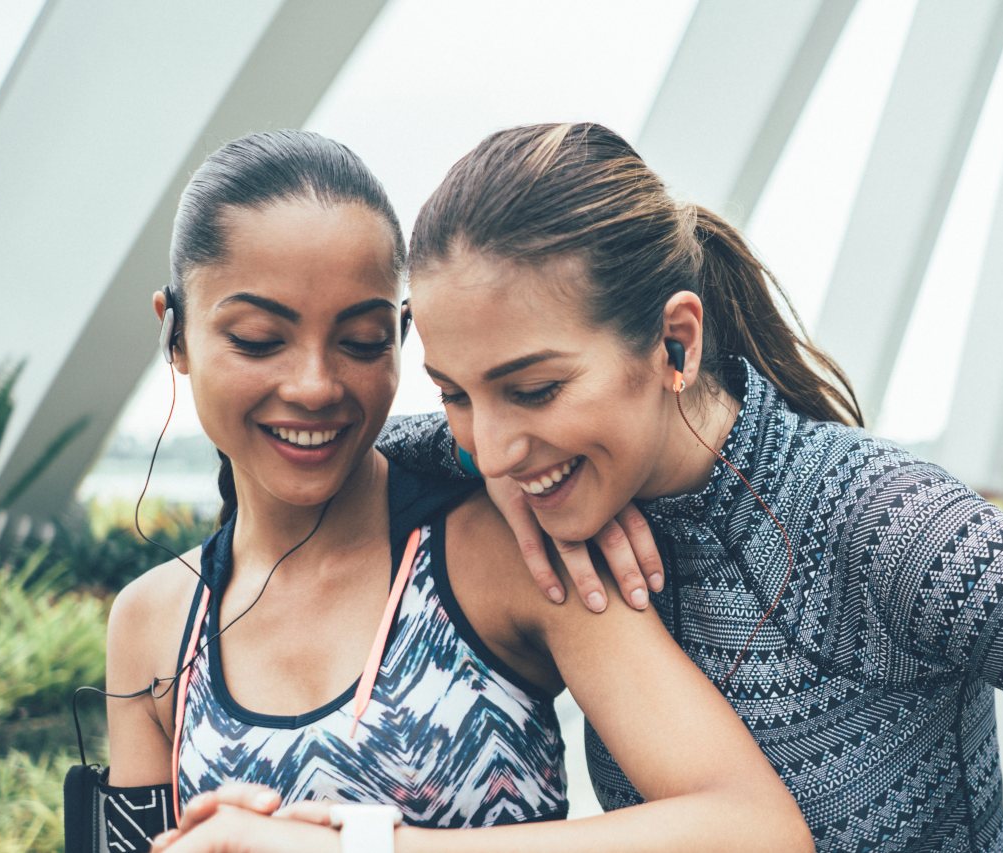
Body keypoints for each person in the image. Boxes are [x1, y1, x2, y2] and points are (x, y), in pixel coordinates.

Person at [373, 122, 1003, 851]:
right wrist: (513, 479)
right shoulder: (525, 468)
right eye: (459, 394)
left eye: (534, 388)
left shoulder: (886, 523)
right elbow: (381, 454)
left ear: (676, 342)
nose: (493, 441)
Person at [103, 129, 812, 853]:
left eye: (362, 340)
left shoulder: (507, 553)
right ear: (177, 335)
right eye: (258, 338)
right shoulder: (152, 625)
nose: (315, 385)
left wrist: (364, 847)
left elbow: (755, 830)